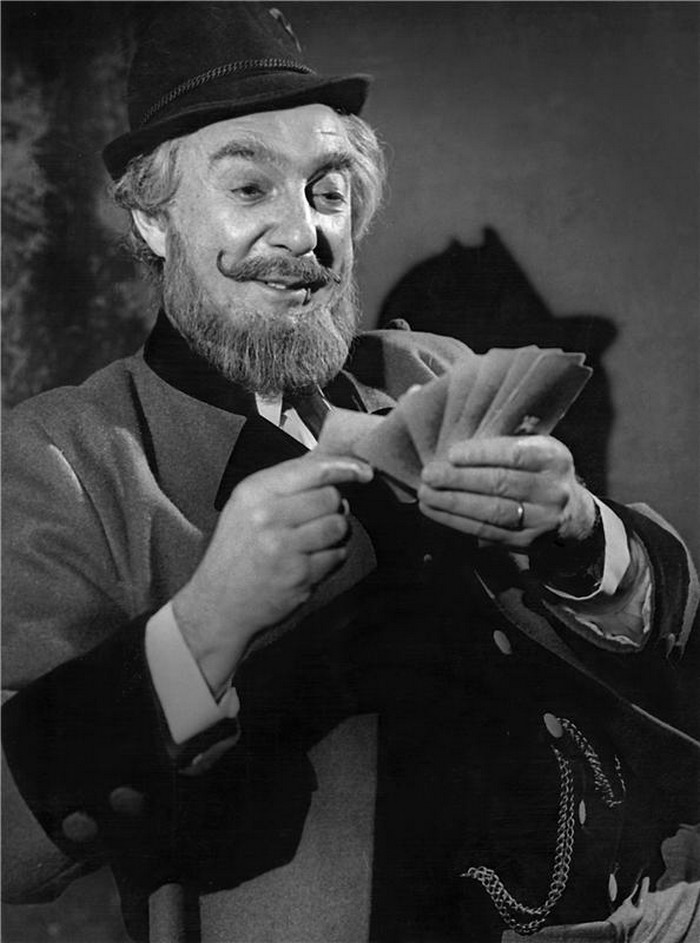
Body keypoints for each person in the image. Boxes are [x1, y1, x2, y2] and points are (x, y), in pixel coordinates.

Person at [2, 4, 698, 942]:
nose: (305, 233)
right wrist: (204, 626)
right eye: (250, 188)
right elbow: (6, 840)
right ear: (153, 221)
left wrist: (579, 533)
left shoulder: (430, 370)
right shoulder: (65, 457)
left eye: (327, 192)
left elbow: (671, 629)